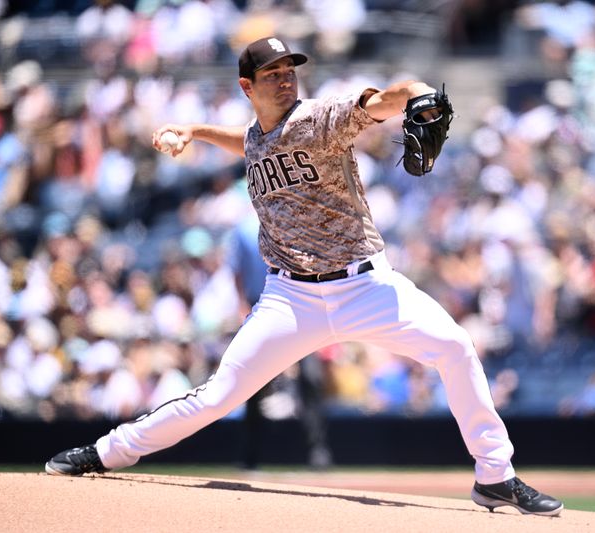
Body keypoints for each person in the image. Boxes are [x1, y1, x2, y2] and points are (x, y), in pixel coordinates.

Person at [45, 36, 563, 517]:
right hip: (290, 298)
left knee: (455, 347)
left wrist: (420, 95)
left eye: (288, 69)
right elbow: (248, 142)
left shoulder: (321, 119)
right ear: (247, 86)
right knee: (216, 396)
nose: (285, 78)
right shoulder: (255, 138)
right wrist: (195, 131)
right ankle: (106, 451)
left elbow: (388, 99)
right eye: (271, 73)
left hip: (366, 287)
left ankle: (495, 476)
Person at [230, 213, 332, 470]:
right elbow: (237, 272)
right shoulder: (243, 229)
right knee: (253, 381)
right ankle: (250, 454)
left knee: (310, 378)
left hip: (300, 304)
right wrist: (243, 305)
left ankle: (317, 450)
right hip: (261, 304)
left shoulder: (295, 217)